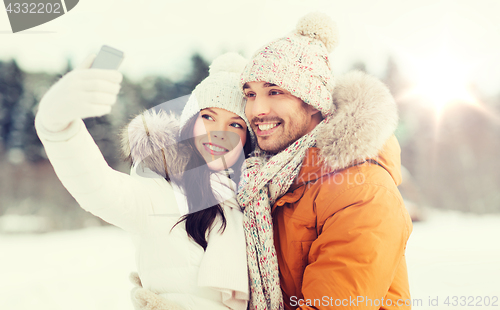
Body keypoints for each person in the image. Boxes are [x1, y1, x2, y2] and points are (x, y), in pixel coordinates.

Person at [35, 52, 254, 310]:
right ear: (189, 123)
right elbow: (98, 187)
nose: (219, 133)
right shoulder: (159, 190)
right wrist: (58, 127)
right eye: (208, 117)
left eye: (236, 125)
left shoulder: (251, 203)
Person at [237, 12, 413, 310]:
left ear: (313, 101)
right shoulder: (261, 181)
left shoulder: (362, 189)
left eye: (275, 91)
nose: (257, 109)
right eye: (250, 94)